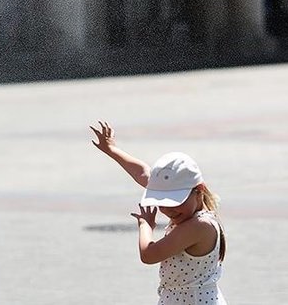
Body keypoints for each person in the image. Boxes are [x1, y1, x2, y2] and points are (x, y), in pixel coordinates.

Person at [90, 121, 227, 304]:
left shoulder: (199, 226)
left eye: (175, 202)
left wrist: (145, 225)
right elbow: (144, 174)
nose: (169, 210)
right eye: (162, 202)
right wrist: (112, 149)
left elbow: (149, 255)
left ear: (199, 190)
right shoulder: (191, 210)